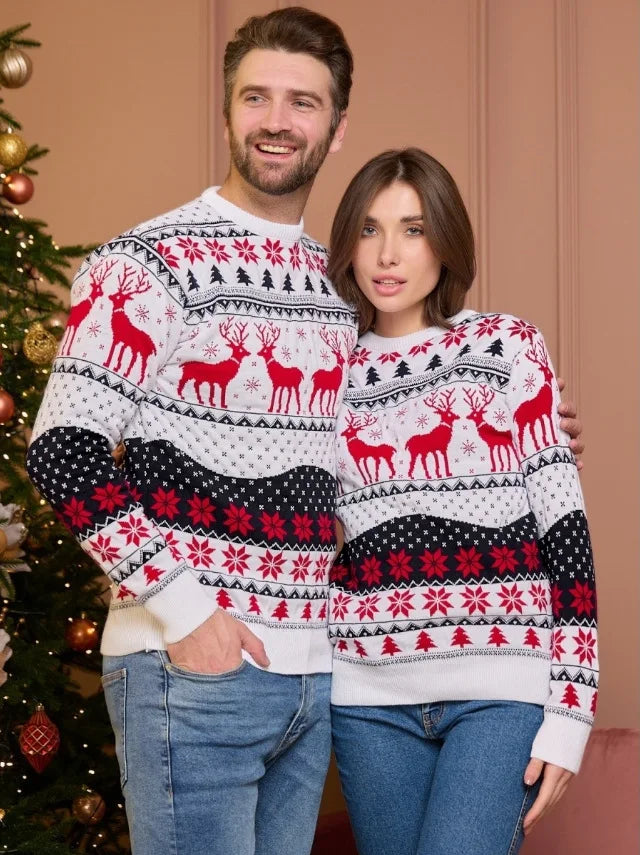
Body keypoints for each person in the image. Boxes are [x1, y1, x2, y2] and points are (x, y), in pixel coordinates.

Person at [25, 8, 583, 854]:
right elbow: (62, 449)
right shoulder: (148, 260)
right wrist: (185, 610)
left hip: (319, 682)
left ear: (335, 126)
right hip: (193, 668)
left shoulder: (338, 297)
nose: (278, 121)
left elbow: (386, 419)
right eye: (257, 97)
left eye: (303, 102)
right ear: (227, 111)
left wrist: (517, 429)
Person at [326, 148, 598, 855]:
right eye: (369, 229)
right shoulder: (324, 373)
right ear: (346, 243)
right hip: (366, 698)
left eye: (413, 230)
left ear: (445, 242)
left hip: (499, 691)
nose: (388, 254)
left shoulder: (506, 346)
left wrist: (571, 709)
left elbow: (565, 529)